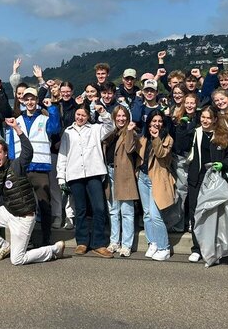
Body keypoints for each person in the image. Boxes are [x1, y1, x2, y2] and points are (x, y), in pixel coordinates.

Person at [0, 120, 65, 265]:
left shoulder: (17, 165)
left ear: (6, 153)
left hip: (24, 217)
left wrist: (16, 128)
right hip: (8, 212)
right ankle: (3, 246)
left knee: (17, 260)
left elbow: (28, 151)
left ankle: (53, 250)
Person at [56, 104, 114, 258]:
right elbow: (63, 155)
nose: (80, 117)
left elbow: (110, 126)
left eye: (83, 115)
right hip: (75, 174)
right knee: (80, 210)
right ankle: (82, 242)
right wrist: (61, 176)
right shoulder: (68, 132)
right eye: (78, 114)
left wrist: (103, 112)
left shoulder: (95, 129)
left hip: (94, 172)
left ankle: (98, 243)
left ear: (88, 116)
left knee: (99, 208)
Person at [184, 106, 228, 263]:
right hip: (196, 178)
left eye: (208, 118)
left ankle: (214, 248)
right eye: (203, 117)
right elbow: (180, 145)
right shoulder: (195, 133)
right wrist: (184, 126)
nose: (205, 120)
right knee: (196, 213)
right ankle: (197, 248)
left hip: (215, 180)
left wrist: (223, 164)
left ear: (215, 119)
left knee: (214, 213)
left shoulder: (223, 135)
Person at [6, 88, 61, 246]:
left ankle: (46, 238)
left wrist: (52, 108)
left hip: (40, 168)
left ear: (37, 101)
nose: (30, 102)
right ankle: (25, 240)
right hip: (21, 169)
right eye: (27, 99)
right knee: (23, 206)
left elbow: (55, 128)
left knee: (44, 204)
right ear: (22, 101)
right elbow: (12, 145)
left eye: (32, 99)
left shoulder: (44, 119)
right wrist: (12, 165)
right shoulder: (16, 120)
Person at [132, 111, 175, 261]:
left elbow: (161, 154)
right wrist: (131, 132)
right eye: (153, 121)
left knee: (156, 215)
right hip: (142, 178)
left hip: (157, 180)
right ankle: (153, 243)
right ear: (148, 122)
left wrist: (156, 137)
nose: (156, 124)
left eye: (160, 121)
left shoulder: (167, 139)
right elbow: (133, 150)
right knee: (147, 213)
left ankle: (164, 247)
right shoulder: (143, 138)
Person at [103, 105, 138, 257]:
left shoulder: (131, 133)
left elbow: (130, 149)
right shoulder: (111, 133)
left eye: (124, 116)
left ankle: (126, 244)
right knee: (113, 211)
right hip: (110, 173)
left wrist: (130, 131)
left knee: (127, 212)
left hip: (124, 176)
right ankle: (114, 241)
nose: (121, 119)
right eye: (118, 116)